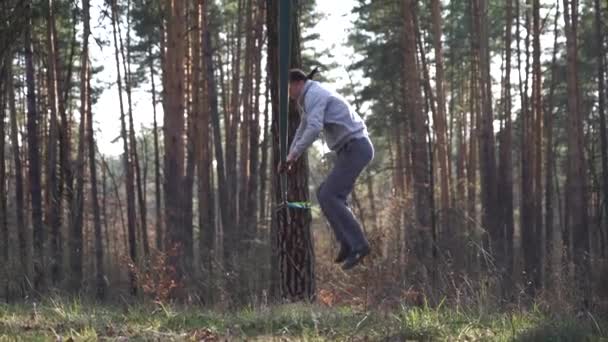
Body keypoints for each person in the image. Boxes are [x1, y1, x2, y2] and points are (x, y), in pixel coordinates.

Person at [278, 68, 374, 270]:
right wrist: (290, 156)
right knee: (324, 194)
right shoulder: (308, 98)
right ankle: (347, 243)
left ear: (297, 84)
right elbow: (302, 129)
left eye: (288, 88)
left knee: (331, 195)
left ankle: (359, 244)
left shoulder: (314, 94)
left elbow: (313, 129)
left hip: (356, 147)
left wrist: (294, 155)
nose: (288, 93)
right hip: (349, 150)